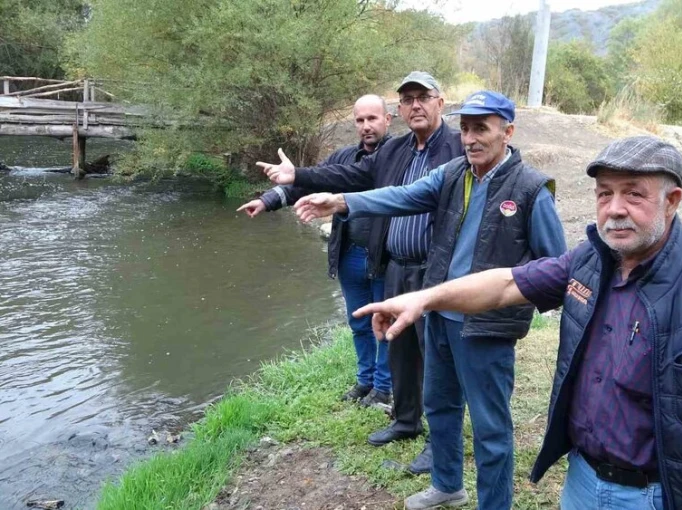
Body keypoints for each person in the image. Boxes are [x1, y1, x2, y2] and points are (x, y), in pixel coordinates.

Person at [354, 136, 682, 510]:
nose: (615, 209)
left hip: (668, 495)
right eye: (604, 194)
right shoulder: (589, 261)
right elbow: (504, 285)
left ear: (672, 200)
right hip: (583, 483)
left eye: (634, 195)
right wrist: (424, 298)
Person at [294, 90, 567, 510]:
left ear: (508, 132)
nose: (471, 138)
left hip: (487, 326)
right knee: (439, 405)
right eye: (466, 129)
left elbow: (553, 269)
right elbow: (400, 196)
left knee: (490, 426)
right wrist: (343, 201)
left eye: (482, 129)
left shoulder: (531, 190)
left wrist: (512, 301)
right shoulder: (455, 172)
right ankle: (447, 485)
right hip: (438, 313)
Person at [254, 71, 465, 474]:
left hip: (439, 271)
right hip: (399, 267)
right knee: (401, 350)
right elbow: (348, 174)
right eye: (408, 99)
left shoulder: (459, 146)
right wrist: (297, 177)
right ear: (399, 110)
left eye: (424, 97)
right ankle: (405, 421)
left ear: (441, 102)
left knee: (439, 360)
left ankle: (442, 445)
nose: (416, 105)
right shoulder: (396, 150)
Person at [238, 95, 393, 406]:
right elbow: (309, 182)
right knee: (358, 322)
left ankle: (384, 386)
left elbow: (343, 179)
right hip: (349, 252)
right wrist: (268, 200)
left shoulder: (397, 157)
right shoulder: (344, 156)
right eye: (360, 120)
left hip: (385, 257)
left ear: (387, 120)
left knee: (385, 322)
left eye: (372, 119)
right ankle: (365, 382)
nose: (366, 126)